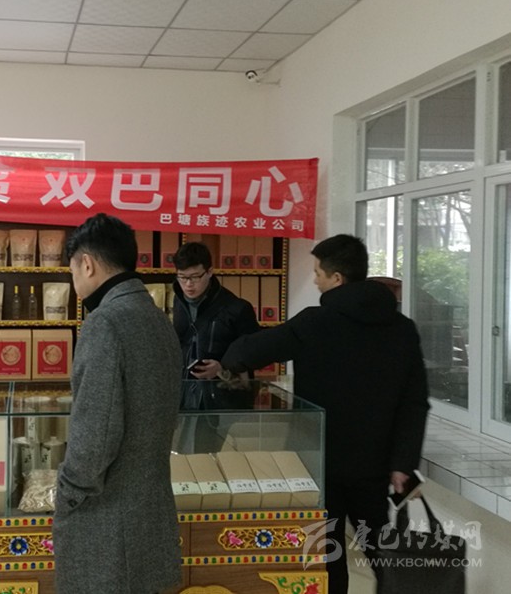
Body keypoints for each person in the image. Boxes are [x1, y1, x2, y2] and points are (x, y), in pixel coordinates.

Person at [223, 234, 429, 594]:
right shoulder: (402, 329)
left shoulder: (316, 323)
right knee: (382, 551)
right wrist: (402, 463)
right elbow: (415, 402)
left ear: (337, 278)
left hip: (320, 462)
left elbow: (249, 351)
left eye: (318, 273)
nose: (315, 281)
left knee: (326, 555)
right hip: (375, 464)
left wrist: (230, 363)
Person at [53, 214, 182, 594]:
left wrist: (67, 492)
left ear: (87, 264)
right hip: (149, 511)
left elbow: (97, 432)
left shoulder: (105, 323)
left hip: (106, 521)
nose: (74, 283)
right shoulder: (157, 319)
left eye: (72, 270)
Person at [172, 242, 261, 452]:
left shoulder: (237, 309)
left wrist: (222, 367)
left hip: (220, 399)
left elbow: (254, 354)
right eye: (182, 277)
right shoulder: (178, 302)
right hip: (183, 394)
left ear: (210, 272)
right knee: (180, 457)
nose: (188, 285)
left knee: (208, 456)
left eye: (195, 277)